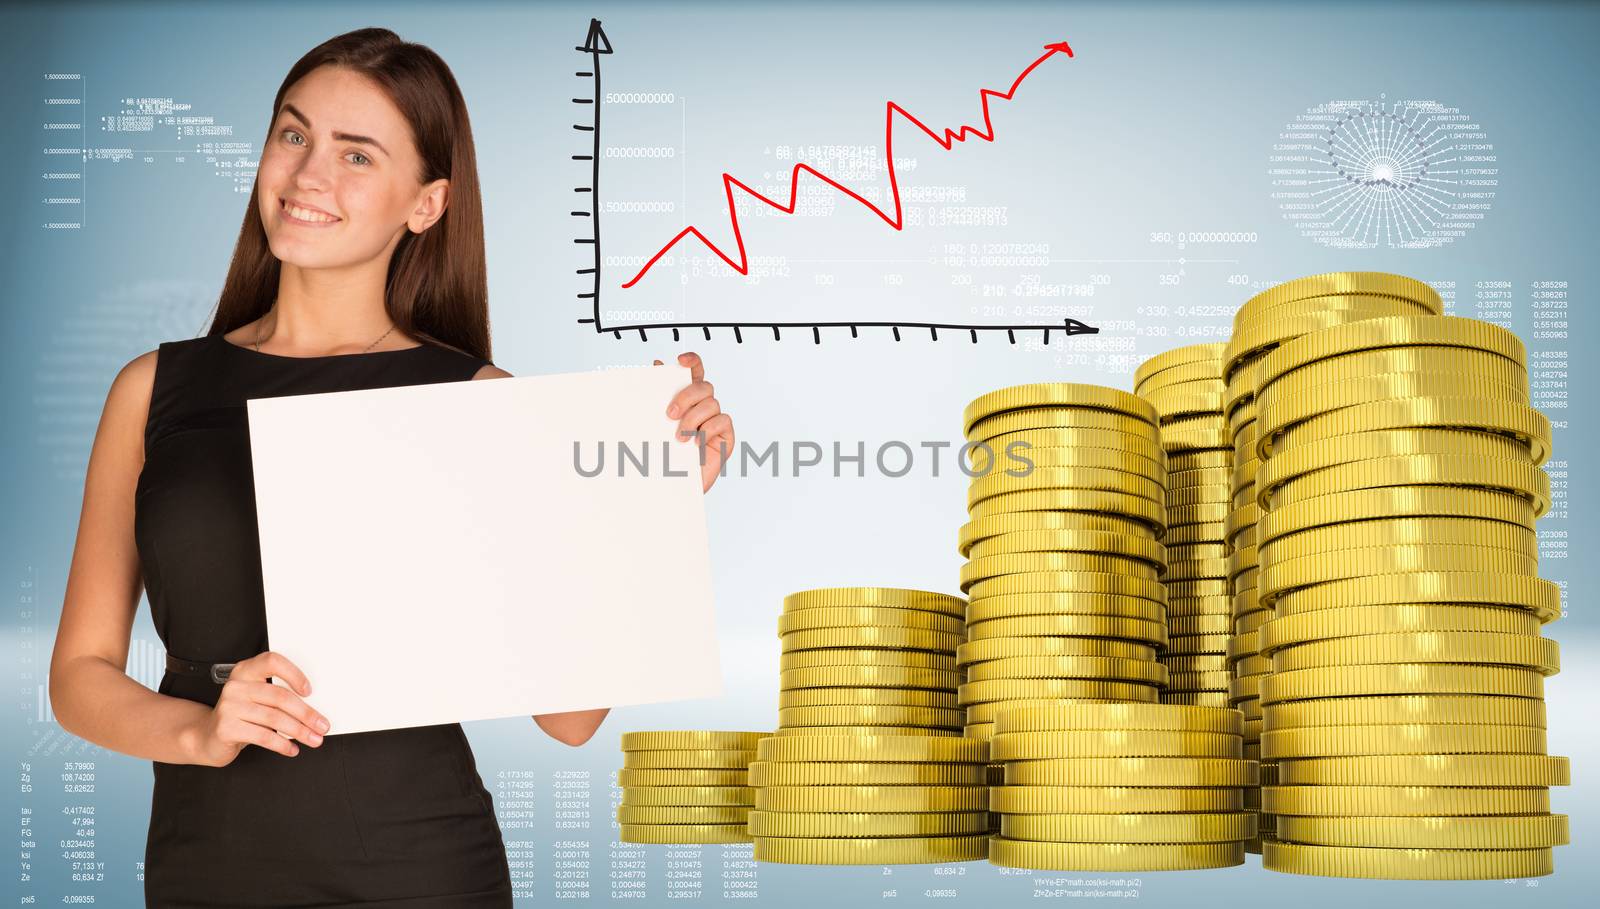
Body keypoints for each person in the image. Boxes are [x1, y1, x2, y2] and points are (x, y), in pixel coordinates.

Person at [47, 27, 735, 908]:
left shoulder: (480, 399)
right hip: (204, 862)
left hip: (421, 866)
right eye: (293, 135)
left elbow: (569, 719)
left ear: (427, 203)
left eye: (357, 155)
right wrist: (199, 732)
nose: (308, 177)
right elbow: (80, 674)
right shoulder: (152, 389)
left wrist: (654, 503)